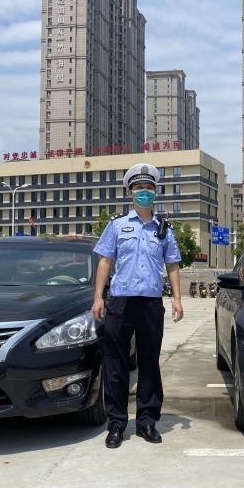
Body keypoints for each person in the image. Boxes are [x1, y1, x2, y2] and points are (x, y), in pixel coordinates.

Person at [91, 163, 183, 449]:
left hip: (151, 303)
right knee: (116, 365)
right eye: (139, 188)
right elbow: (105, 261)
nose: (144, 192)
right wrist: (98, 297)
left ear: (156, 192)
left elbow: (172, 265)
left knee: (149, 364)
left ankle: (147, 421)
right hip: (120, 302)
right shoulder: (117, 225)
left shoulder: (164, 229)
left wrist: (177, 298)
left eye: (149, 188)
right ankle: (116, 424)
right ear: (130, 192)